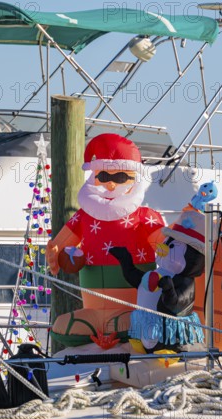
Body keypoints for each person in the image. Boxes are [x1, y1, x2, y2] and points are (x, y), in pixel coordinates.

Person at [46, 133, 164, 348]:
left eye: (120, 178)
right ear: (94, 177)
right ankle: (99, 323)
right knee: (64, 325)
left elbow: (165, 245)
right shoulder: (83, 216)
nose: (111, 184)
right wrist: (54, 252)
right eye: (103, 177)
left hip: (131, 305)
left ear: (133, 179)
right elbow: (58, 244)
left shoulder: (144, 216)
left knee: (130, 320)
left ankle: (129, 323)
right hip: (91, 308)